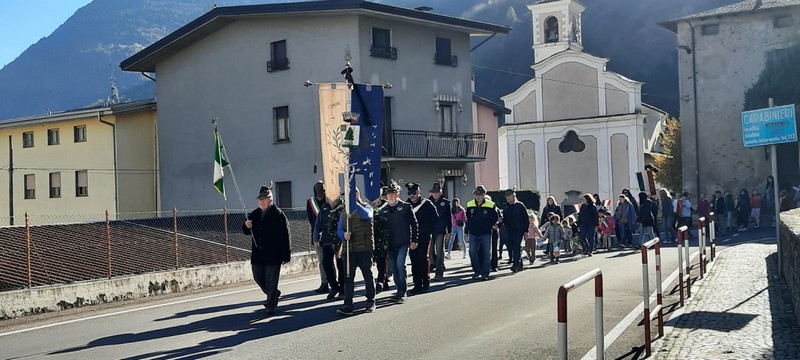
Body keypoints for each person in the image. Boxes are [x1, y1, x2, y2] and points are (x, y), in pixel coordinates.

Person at [243, 186, 291, 315]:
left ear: (271, 200)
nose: (261, 202)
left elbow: (285, 236)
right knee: (257, 276)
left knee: (271, 279)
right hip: (258, 254)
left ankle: (270, 304)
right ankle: (273, 292)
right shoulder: (254, 214)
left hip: (273, 255)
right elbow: (246, 231)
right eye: (260, 199)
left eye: (264, 199)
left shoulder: (278, 215)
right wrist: (246, 226)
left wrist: (286, 255)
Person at [336, 187, 376, 316]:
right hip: (349, 250)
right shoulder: (344, 211)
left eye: (350, 195)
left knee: (368, 276)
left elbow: (367, 215)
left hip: (364, 248)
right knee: (348, 279)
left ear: (357, 194)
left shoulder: (366, 206)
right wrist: (343, 235)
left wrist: (355, 204)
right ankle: (348, 304)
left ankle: (370, 301)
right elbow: (339, 229)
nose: (347, 198)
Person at [379, 181, 418, 303]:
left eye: (393, 193)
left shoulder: (406, 207)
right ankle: (398, 289)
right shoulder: (382, 210)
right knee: (394, 268)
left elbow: (414, 224)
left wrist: (414, 240)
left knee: (401, 265)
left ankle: (402, 291)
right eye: (389, 193)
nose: (390, 195)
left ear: (398, 194)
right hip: (390, 244)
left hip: (403, 242)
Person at [406, 182, 437, 294]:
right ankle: (417, 284)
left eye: (414, 192)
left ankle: (425, 283)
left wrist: (430, 232)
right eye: (410, 193)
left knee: (423, 258)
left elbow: (435, 219)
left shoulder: (427, 204)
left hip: (424, 236)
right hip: (411, 237)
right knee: (414, 260)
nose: (412, 195)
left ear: (419, 192)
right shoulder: (406, 205)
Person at [312, 194, 345, 301]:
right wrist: (316, 237)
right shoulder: (324, 207)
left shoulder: (343, 206)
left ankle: (343, 290)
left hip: (340, 239)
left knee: (341, 265)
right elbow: (318, 223)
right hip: (326, 240)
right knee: (326, 264)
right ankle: (334, 287)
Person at [466, 185, 499, 281]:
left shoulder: (491, 204)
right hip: (473, 232)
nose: (478, 197)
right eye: (476, 195)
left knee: (487, 253)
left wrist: (491, 225)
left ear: (484, 195)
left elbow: (495, 218)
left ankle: (485, 273)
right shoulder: (469, 204)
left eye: (480, 195)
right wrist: (467, 229)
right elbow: (468, 218)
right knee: (472, 252)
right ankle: (477, 271)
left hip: (486, 232)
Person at [306, 181, 329, 294]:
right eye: (318, 194)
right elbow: (311, 219)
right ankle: (324, 282)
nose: (320, 197)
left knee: (330, 261)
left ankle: (333, 281)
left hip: (330, 236)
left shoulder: (329, 200)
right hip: (317, 237)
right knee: (321, 261)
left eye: (322, 194)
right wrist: (316, 235)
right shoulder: (310, 202)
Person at [503, 189, 530, 273]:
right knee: (512, 247)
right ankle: (520, 264)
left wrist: (526, 231)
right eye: (506, 196)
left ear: (514, 196)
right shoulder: (506, 206)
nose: (507, 198)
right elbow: (504, 219)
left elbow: (526, 219)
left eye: (509, 196)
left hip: (519, 230)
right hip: (509, 230)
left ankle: (515, 265)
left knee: (516, 246)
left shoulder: (520, 205)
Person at [428, 183, 451, 279]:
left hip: (441, 230)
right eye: (433, 192)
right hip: (430, 229)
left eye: (436, 192)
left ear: (440, 192)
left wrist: (449, 231)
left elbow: (449, 218)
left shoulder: (445, 203)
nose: (435, 194)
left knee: (440, 251)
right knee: (430, 250)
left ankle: (439, 272)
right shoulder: (428, 202)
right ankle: (433, 264)